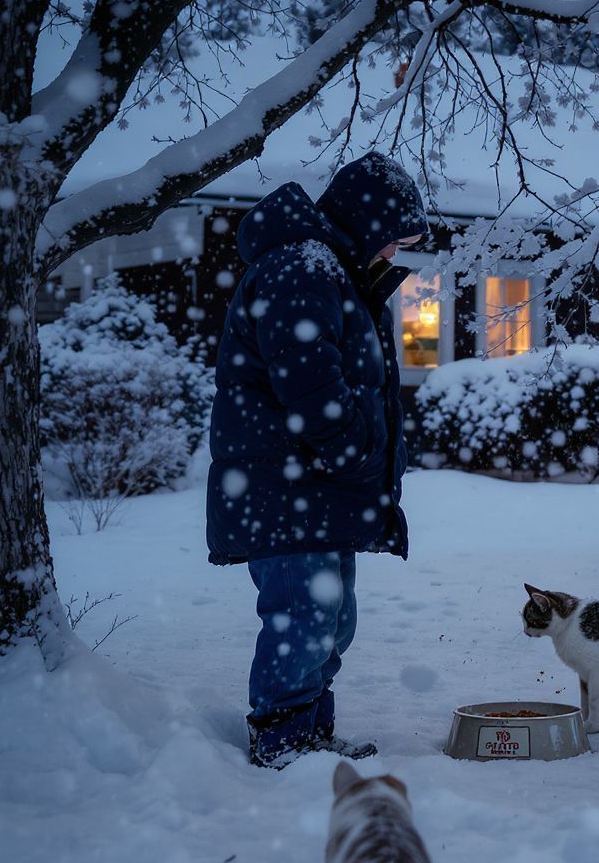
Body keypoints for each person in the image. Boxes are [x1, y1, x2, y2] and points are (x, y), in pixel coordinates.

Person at [206, 152, 428, 768]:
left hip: (319, 490)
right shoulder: (300, 269)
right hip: (289, 488)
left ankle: (308, 732)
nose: (395, 255)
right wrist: (355, 451)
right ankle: (282, 740)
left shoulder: (335, 275)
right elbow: (310, 385)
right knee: (304, 617)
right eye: (394, 240)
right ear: (365, 222)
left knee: (333, 621)